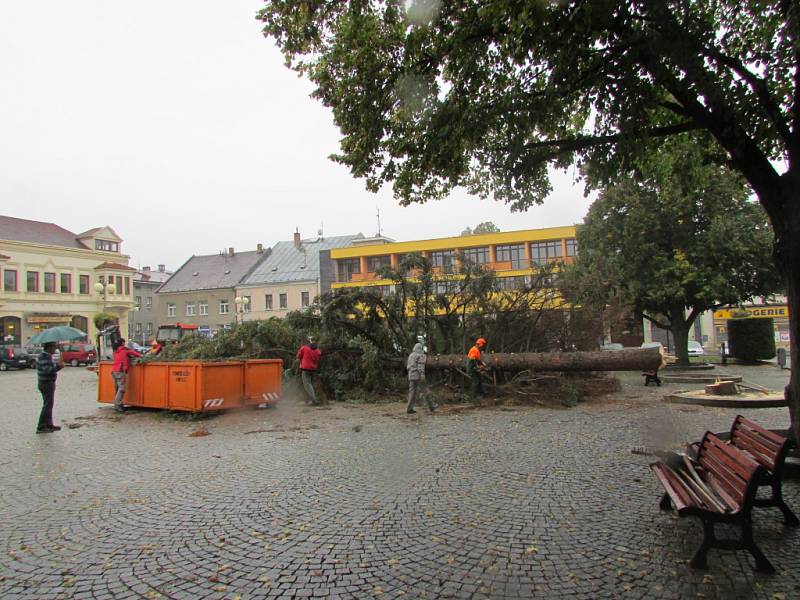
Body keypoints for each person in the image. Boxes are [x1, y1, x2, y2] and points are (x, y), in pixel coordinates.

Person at [36, 341, 64, 433]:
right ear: (49, 347)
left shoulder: (48, 356)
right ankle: (41, 426)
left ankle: (49, 424)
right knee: (47, 405)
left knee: (49, 404)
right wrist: (58, 367)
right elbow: (47, 370)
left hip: (48, 382)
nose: (55, 349)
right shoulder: (44, 357)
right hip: (46, 383)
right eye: (54, 347)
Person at [112, 338, 143, 413]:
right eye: (124, 342)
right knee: (122, 388)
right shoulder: (124, 351)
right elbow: (135, 354)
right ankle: (118, 405)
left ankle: (117, 403)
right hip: (120, 371)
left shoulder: (115, 351)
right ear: (122, 343)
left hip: (114, 371)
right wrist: (142, 356)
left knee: (118, 388)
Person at [406, 342, 435, 414]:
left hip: (411, 376)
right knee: (425, 390)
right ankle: (432, 406)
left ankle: (409, 408)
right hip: (418, 376)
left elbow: (408, 366)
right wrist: (422, 375)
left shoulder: (411, 355)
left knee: (412, 393)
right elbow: (420, 366)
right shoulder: (421, 355)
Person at [296, 336, 322, 405]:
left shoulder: (304, 348)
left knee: (307, 385)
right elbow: (318, 359)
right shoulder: (318, 351)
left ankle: (314, 400)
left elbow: (298, 356)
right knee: (310, 385)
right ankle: (307, 400)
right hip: (313, 369)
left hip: (305, 369)